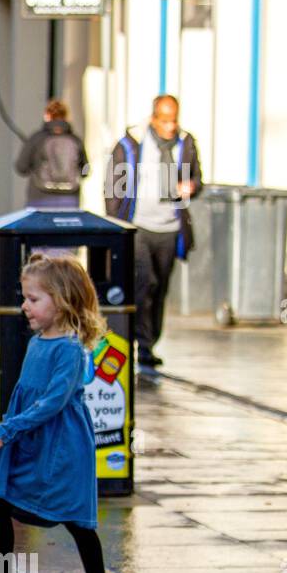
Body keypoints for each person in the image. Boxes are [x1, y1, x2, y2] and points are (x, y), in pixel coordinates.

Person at [0, 253, 116, 573]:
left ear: (62, 301)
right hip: (29, 442)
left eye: (33, 299)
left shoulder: (71, 350)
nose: (25, 306)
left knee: (77, 519)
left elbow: (52, 403)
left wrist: (8, 429)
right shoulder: (39, 341)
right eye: (25, 297)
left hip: (60, 446)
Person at [105, 95, 203, 369]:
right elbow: (113, 185)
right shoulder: (132, 144)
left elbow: (198, 179)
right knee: (143, 282)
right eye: (165, 120)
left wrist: (191, 187)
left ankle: (150, 342)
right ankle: (140, 343)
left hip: (170, 227)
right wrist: (116, 225)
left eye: (174, 120)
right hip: (139, 226)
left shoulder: (186, 143)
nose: (170, 127)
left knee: (160, 286)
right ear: (153, 118)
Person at [14, 99, 89, 209]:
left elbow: (21, 167)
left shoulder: (37, 138)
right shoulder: (75, 140)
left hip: (39, 198)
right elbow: (86, 168)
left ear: (47, 116)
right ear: (66, 116)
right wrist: (78, 175)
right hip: (69, 200)